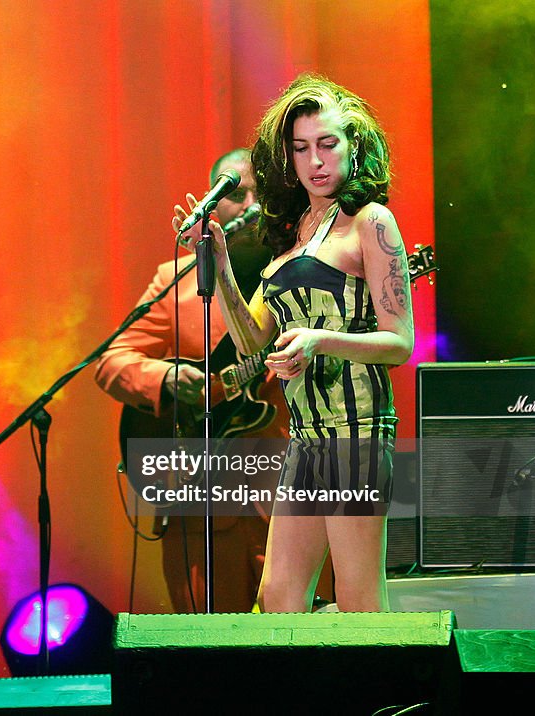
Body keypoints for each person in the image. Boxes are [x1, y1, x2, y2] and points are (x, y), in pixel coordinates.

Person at [175, 75, 413, 612]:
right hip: (306, 437)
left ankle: (384, 698)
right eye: (302, 149)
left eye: (328, 144)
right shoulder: (290, 232)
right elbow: (250, 340)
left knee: (357, 597)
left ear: (354, 145)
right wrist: (217, 260)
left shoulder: (370, 222)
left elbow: (400, 341)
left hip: (357, 429)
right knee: (279, 597)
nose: (316, 161)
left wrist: (319, 339)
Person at [96, 149, 283, 614]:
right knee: (208, 658)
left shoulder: (302, 273)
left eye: (263, 195)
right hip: (199, 501)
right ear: (211, 204)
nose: (251, 206)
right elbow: (111, 361)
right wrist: (165, 377)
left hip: (284, 498)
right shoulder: (174, 281)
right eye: (236, 194)